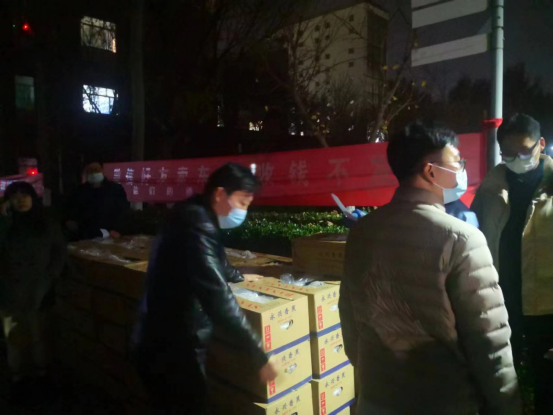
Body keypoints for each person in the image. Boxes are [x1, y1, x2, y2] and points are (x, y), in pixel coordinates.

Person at [340, 122, 519, 415]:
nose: (462, 169)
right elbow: (489, 339)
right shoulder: (462, 239)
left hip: (376, 398)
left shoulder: (363, 231)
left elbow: (349, 318)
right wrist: (506, 405)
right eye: (457, 162)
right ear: (430, 171)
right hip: (443, 401)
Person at [131, 163, 277, 414]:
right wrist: (258, 354)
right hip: (171, 347)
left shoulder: (195, 212)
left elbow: (213, 259)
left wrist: (239, 276)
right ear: (220, 194)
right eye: (242, 203)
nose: (243, 212)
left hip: (163, 336)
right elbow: (217, 297)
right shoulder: (196, 224)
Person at [472, 114, 553, 414]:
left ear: (540, 144)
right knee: (504, 381)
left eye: (525, 151)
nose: (517, 159)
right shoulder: (489, 190)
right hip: (502, 303)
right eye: (508, 153)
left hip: (546, 307)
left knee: (548, 383)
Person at [0, 182, 66, 402]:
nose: (21, 200)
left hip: (40, 288)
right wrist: (3, 220)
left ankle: (42, 375)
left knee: (40, 336)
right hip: (10, 290)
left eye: (25, 195)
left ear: (32, 198)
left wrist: (51, 275)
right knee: (15, 337)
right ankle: (18, 378)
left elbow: (59, 250)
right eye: (15, 196)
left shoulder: (46, 223)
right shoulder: (5, 224)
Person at [65, 163, 129, 240]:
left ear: (102, 171)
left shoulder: (115, 189)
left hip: (109, 233)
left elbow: (123, 210)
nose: (93, 173)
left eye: (96, 170)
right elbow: (74, 208)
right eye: (90, 171)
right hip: (86, 234)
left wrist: (117, 229)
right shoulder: (80, 190)